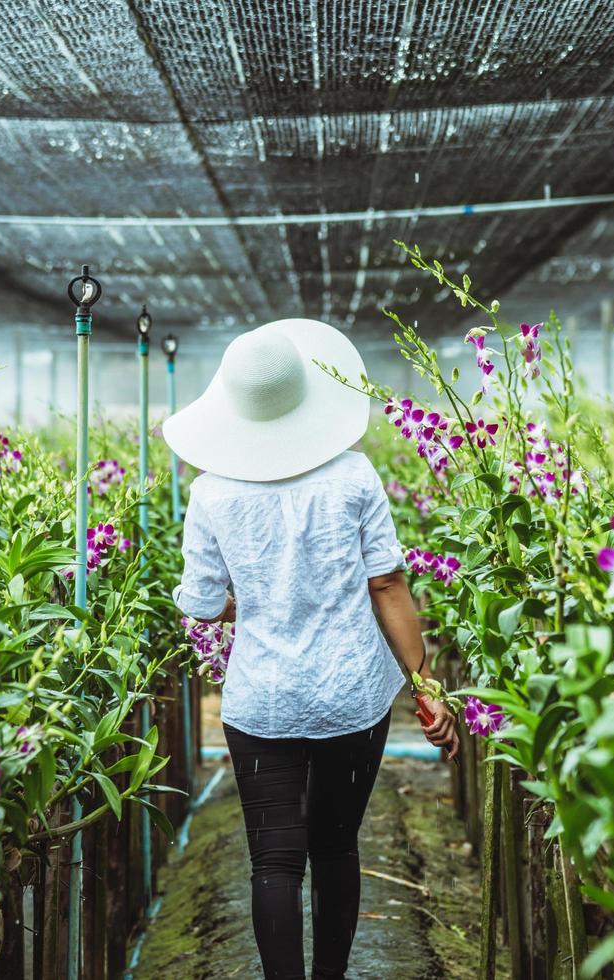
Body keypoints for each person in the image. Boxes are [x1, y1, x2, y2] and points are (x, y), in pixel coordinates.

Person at [163, 318, 459, 980]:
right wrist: (426, 685)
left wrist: (258, 593)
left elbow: (206, 604)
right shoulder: (353, 476)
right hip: (352, 692)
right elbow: (386, 582)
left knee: (272, 859)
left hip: (261, 699)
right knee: (334, 849)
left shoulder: (210, 493)